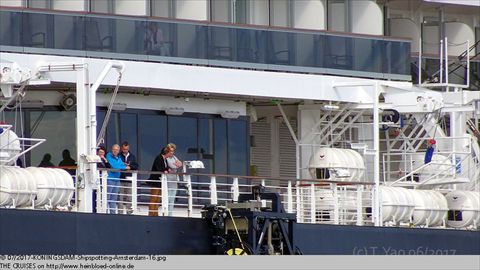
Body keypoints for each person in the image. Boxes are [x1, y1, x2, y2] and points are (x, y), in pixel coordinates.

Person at [148, 147, 172, 216]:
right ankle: (151, 214)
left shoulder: (165, 159)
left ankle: (155, 213)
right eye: (169, 153)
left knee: (158, 199)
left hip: (161, 181)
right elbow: (159, 168)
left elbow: (165, 167)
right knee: (154, 198)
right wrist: (166, 170)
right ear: (166, 153)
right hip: (156, 181)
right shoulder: (158, 158)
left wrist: (167, 169)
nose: (170, 154)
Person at [105, 144, 130, 214]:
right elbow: (113, 166)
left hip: (117, 180)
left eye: (117, 150)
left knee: (114, 198)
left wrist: (123, 166)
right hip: (110, 179)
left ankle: (112, 213)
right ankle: (105, 212)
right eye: (114, 149)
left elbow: (121, 165)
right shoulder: (109, 156)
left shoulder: (119, 158)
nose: (115, 151)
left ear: (119, 151)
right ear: (112, 149)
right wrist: (125, 167)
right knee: (107, 197)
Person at [119, 141, 139, 214]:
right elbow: (117, 165)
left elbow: (136, 166)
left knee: (129, 197)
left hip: (129, 179)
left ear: (128, 148)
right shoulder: (119, 156)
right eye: (124, 149)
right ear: (122, 148)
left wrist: (129, 167)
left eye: (126, 149)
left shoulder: (132, 156)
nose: (125, 151)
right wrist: (123, 166)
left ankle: (129, 212)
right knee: (120, 197)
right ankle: (120, 212)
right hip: (121, 178)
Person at [165, 143, 182, 216]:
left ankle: (170, 214)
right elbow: (172, 165)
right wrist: (175, 165)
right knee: (168, 198)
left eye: (173, 151)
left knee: (172, 198)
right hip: (168, 180)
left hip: (174, 180)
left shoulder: (174, 157)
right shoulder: (166, 158)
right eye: (171, 151)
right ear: (168, 151)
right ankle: (166, 213)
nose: (172, 152)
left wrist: (176, 165)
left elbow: (180, 164)